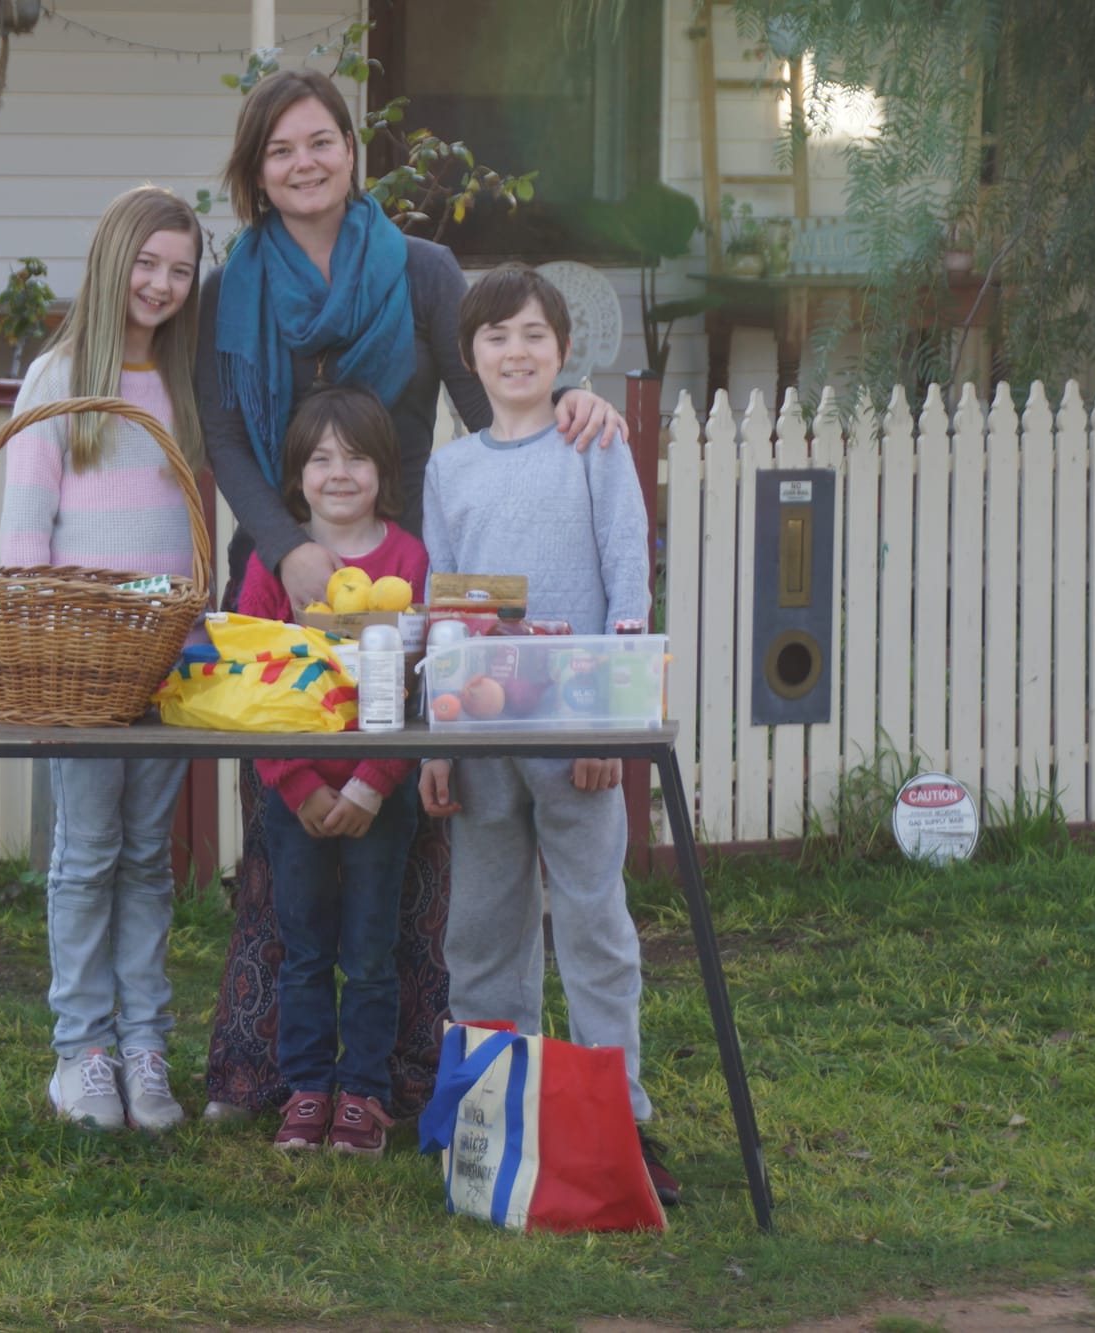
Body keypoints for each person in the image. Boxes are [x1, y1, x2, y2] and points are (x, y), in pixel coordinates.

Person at [198, 67, 633, 1121]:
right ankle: (276, 1071)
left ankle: (410, 1073)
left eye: (320, 142)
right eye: (280, 150)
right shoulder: (229, 290)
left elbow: (498, 382)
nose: (304, 163)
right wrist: (286, 550)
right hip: (280, 581)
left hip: (405, 581)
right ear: (255, 173)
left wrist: (575, 402)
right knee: (288, 831)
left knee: (408, 827)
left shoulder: (423, 269)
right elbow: (221, 438)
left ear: (352, 150)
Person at [416, 263, 680, 1205]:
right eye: (496, 336)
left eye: (534, 334)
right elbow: (445, 610)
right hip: (482, 741)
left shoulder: (593, 446)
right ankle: (492, 1125)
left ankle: (624, 1121)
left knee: (593, 924)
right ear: (470, 355)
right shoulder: (449, 471)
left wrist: (608, 716)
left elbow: (626, 579)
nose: (516, 351)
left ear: (564, 352)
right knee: (483, 932)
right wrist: (440, 738)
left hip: (579, 744)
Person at [0, 186, 205, 1133]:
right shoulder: (56, 381)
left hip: (162, 657)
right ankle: (80, 1051)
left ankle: (145, 1044)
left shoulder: (185, 385)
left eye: (180, 270)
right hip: (80, 661)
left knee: (148, 858)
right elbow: (21, 529)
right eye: (148, 263)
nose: (161, 284)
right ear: (113, 260)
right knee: (85, 854)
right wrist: (40, 634)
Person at [235, 386, 425, 1154]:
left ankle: (367, 1095)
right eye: (320, 458)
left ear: (384, 468)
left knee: (372, 953)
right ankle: (307, 1088)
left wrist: (374, 782)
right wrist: (298, 782)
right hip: (299, 793)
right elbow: (251, 680)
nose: (338, 473)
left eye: (356, 457)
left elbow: (420, 682)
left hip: (381, 790)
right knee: (305, 948)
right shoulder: (273, 564)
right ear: (295, 474)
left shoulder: (408, 557)